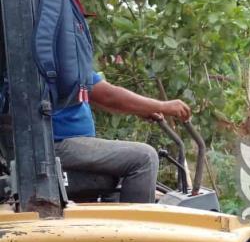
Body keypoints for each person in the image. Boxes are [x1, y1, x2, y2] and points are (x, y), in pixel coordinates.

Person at [53, 73, 191, 203]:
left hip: (68, 142)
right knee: (144, 157)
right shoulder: (60, 53)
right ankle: (136, 226)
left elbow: (91, 94)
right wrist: (162, 106)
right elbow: (107, 95)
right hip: (56, 145)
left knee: (116, 171)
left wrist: (141, 109)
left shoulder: (67, 56)